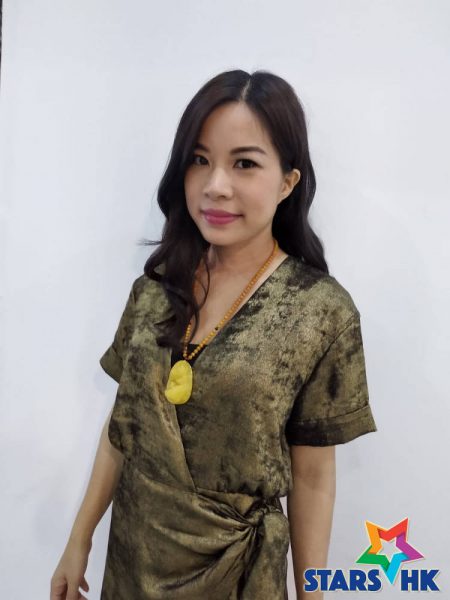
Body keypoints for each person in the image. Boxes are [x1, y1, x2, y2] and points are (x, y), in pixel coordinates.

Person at [50, 69, 377, 600]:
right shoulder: (155, 288)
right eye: (199, 160)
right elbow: (124, 423)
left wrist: (312, 595)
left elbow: (314, 477)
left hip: (236, 575)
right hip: (132, 561)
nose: (215, 185)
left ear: (288, 181)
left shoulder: (321, 311)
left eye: (244, 163)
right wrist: (78, 538)